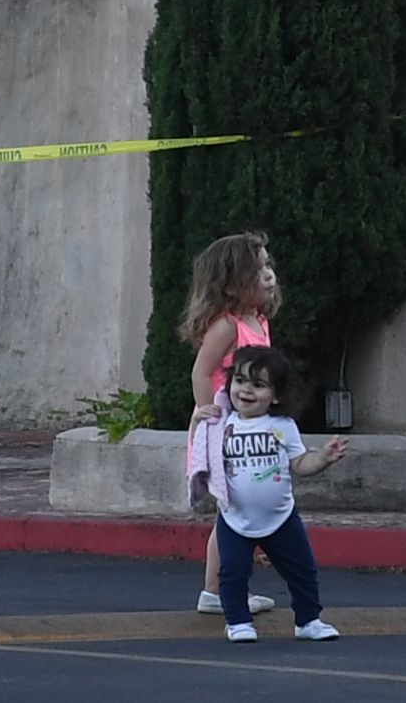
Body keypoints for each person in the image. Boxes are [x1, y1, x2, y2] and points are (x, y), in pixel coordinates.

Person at [172, 231, 279, 617]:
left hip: (248, 426)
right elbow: (201, 373)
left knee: (239, 511)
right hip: (225, 426)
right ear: (233, 281)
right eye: (259, 268)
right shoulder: (227, 327)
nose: (268, 274)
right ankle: (217, 590)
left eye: (268, 265)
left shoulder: (258, 321)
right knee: (232, 513)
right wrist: (208, 416)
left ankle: (225, 587)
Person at [205, 348, 346, 643]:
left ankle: (308, 620)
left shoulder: (282, 427)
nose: (246, 389)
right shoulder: (221, 424)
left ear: (277, 395)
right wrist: (198, 421)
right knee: (232, 572)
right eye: (240, 380)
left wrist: (323, 458)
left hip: (281, 516)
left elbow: (300, 464)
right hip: (234, 517)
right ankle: (238, 621)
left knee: (302, 570)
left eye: (258, 385)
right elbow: (201, 458)